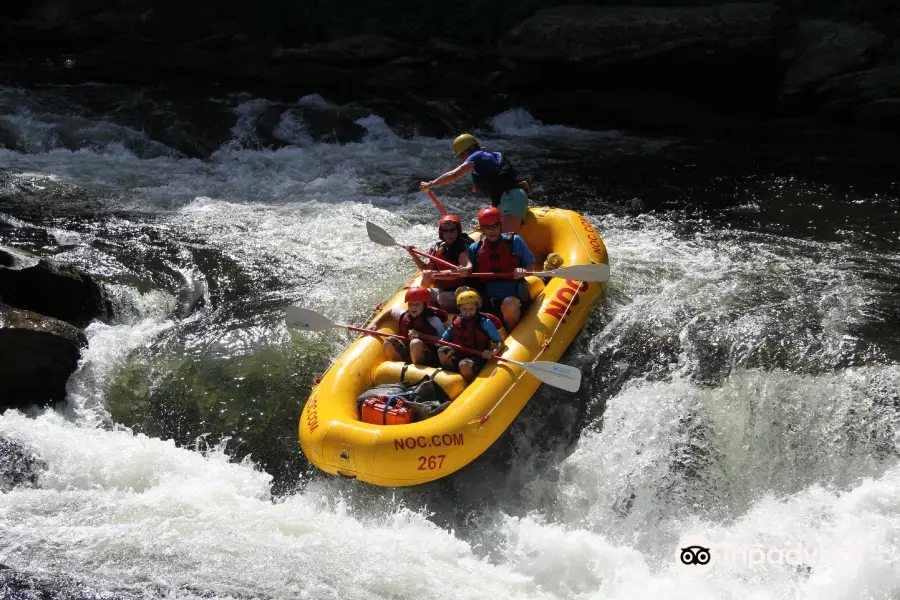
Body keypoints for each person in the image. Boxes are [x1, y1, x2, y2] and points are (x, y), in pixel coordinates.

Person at [419, 133, 529, 234]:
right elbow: (497, 187)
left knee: (505, 240)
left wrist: (430, 184)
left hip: (512, 199)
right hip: (505, 199)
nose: (462, 158)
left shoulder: (477, 156)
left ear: (470, 149)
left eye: (462, 155)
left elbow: (454, 175)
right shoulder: (488, 157)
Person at [469, 206, 538, 332]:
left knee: (509, 303)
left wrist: (523, 271)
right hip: (487, 298)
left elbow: (530, 266)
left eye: (495, 226)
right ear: (482, 229)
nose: (492, 230)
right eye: (487, 227)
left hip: (513, 296)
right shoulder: (475, 248)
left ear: (500, 225)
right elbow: (468, 271)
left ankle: (513, 335)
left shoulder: (515, 241)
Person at [405, 214, 474, 312]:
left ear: (458, 231)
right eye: (446, 231)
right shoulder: (438, 247)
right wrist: (413, 254)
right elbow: (426, 269)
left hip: (462, 291)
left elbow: (463, 268)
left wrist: (434, 275)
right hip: (444, 290)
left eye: (453, 230)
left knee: (443, 298)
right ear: (441, 232)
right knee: (420, 294)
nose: (449, 234)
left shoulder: (461, 246)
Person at [437, 289, 503, 383]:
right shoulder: (456, 321)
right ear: (459, 308)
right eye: (464, 309)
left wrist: (493, 352)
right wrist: (440, 342)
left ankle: (470, 383)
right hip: (459, 354)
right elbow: (444, 338)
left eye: (471, 309)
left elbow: (499, 341)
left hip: (478, 357)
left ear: (477, 307)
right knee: (442, 352)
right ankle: (451, 378)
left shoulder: (484, 322)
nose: (468, 312)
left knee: (464, 365)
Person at [372, 286, 448, 367]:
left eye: (417, 304)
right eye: (410, 304)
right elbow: (391, 311)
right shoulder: (405, 315)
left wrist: (420, 335)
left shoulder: (433, 320)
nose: (413, 307)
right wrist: (375, 323)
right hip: (409, 351)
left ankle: (419, 369)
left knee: (415, 343)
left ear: (425, 305)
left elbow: (444, 341)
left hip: (428, 355)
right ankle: (400, 367)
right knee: (388, 342)